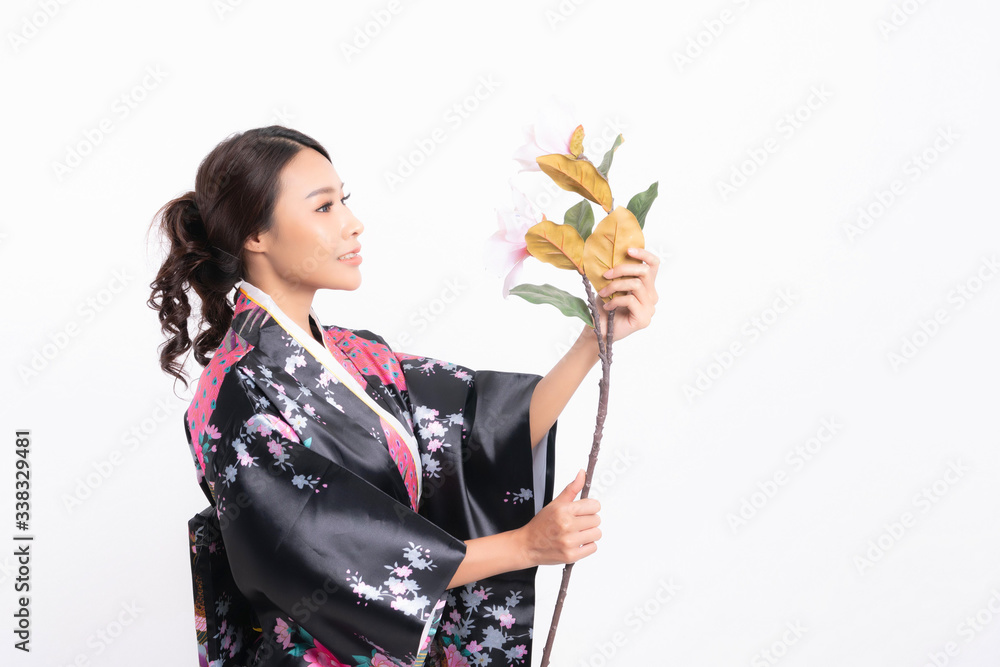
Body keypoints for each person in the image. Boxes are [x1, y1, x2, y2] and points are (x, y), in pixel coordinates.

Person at [147, 125, 659, 667]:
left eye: (344, 200)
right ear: (256, 234)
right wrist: (525, 547)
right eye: (323, 208)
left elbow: (484, 434)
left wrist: (594, 336)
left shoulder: (358, 355)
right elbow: (338, 551)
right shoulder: (237, 392)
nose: (352, 223)